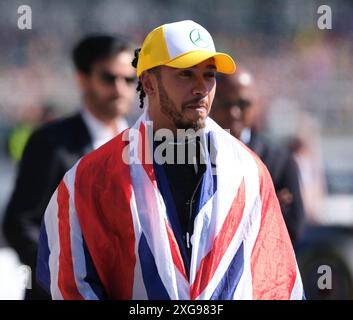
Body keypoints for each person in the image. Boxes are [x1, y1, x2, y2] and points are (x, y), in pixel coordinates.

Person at [36, 20, 304, 300]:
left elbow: (277, 280)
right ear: (148, 82)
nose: (201, 88)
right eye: (186, 74)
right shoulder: (90, 178)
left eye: (209, 75)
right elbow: (71, 281)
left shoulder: (248, 170)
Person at [2, 34, 136, 300]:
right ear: (82, 79)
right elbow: (21, 222)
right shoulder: (52, 142)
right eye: (109, 78)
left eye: (130, 79)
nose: (120, 88)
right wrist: (65, 277)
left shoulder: (141, 144)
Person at [211, 70, 305, 244]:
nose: (234, 112)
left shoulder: (280, 161)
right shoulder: (192, 156)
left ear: (256, 105)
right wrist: (265, 205)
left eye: (243, 103)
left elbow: (294, 230)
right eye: (225, 103)